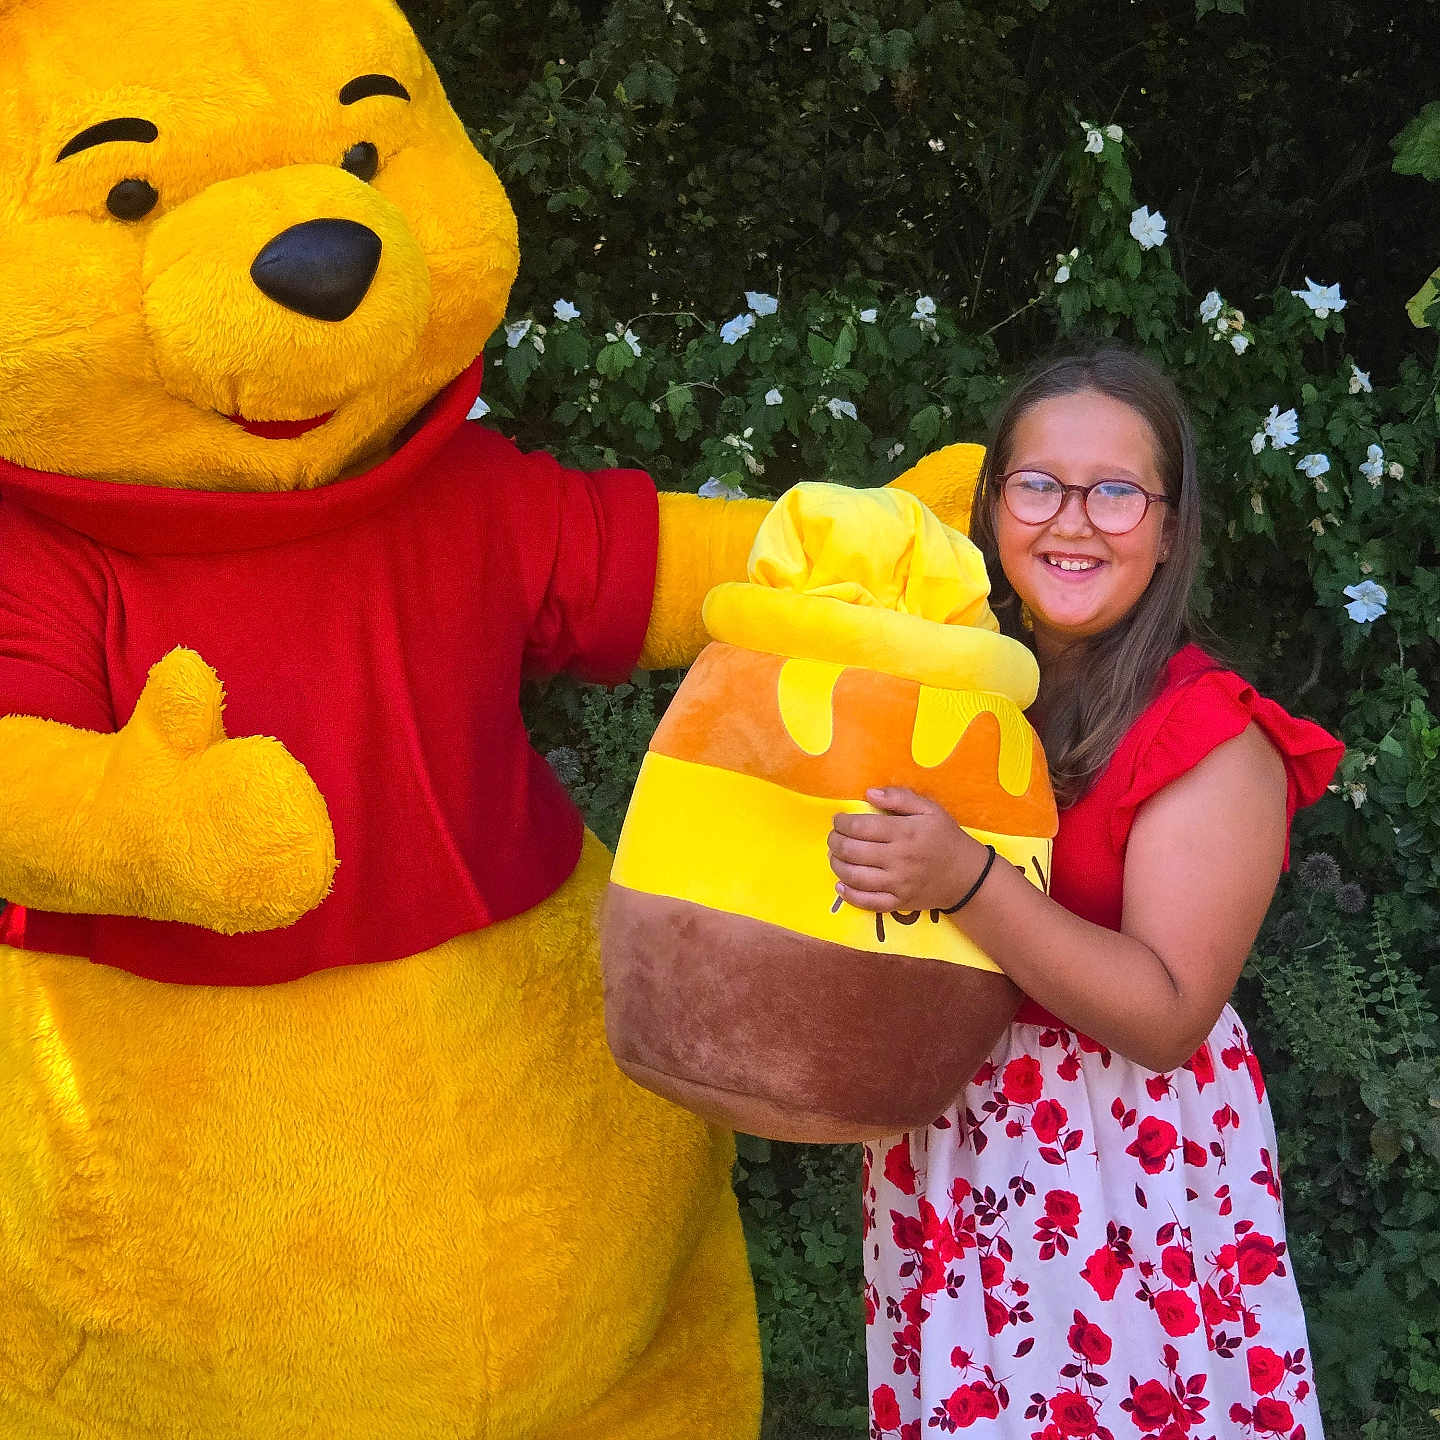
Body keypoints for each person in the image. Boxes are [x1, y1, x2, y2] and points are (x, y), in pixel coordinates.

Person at [828, 348, 1342, 1439]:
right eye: (1038, 485)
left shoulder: (1211, 735)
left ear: (1167, 523)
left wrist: (963, 878)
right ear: (993, 507)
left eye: (1116, 490)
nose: (1074, 521)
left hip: (1118, 1184)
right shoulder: (963, 691)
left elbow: (1165, 1016)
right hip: (959, 1153)